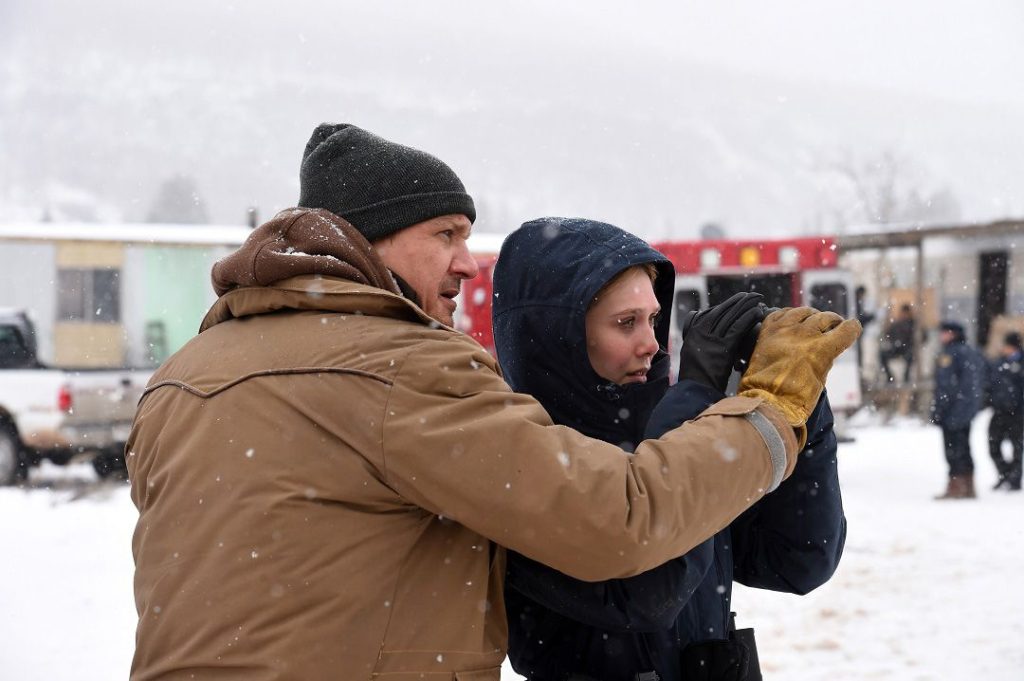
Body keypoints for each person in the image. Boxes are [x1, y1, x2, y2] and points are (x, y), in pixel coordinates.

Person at [125, 123, 860, 680]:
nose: (465, 261)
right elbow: (632, 534)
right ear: (369, 239)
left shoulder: (184, 376)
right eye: (444, 233)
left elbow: (798, 555)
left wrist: (801, 410)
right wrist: (764, 405)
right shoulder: (404, 371)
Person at [493, 217, 846, 681]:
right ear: (555, 336)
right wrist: (695, 395)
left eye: (654, 319)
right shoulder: (517, 456)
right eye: (626, 323)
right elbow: (649, 592)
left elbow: (797, 560)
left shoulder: (675, 431)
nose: (652, 344)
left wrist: (797, 405)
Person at [930, 320, 986, 499]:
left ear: (952, 333)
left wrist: (939, 409)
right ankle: (968, 486)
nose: (941, 336)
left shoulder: (950, 354)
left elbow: (946, 386)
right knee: (964, 447)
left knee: (953, 449)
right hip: (967, 409)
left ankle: (957, 486)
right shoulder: (972, 352)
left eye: (944, 332)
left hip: (954, 411)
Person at [987, 331, 1024, 491]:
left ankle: (1015, 479)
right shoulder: (999, 363)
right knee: (993, 444)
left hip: (1018, 412)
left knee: (1017, 447)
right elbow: (991, 384)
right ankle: (1004, 474)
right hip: (999, 410)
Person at [880, 303, 916, 385]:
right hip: (896, 348)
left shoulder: (913, 324)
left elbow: (922, 337)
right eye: (903, 313)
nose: (905, 315)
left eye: (906, 313)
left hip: (907, 348)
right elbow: (887, 334)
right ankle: (889, 376)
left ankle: (906, 378)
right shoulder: (896, 324)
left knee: (910, 356)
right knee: (882, 355)